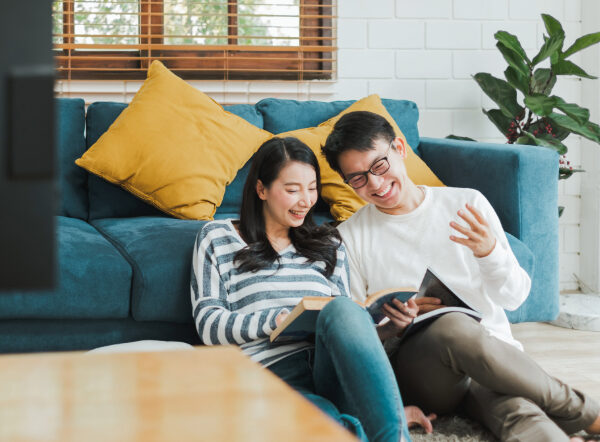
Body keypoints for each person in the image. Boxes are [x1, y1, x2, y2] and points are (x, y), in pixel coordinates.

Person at [321, 111, 600, 442]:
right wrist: (392, 327)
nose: (376, 185)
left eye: (379, 166)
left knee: (520, 413)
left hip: (494, 361)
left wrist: (490, 253)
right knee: (451, 325)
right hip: (423, 374)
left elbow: (515, 297)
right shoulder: (349, 237)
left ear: (399, 148)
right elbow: (354, 340)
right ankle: (586, 413)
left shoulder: (466, 203)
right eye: (358, 179)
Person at [191, 136, 433, 442]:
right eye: (292, 190)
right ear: (261, 189)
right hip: (273, 375)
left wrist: (388, 329)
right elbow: (208, 324)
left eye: (311, 188)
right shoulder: (217, 237)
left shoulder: (330, 243)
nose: (306, 200)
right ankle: (377, 424)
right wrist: (276, 320)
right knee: (330, 427)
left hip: (331, 368)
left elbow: (344, 324)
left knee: (343, 308)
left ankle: (391, 433)